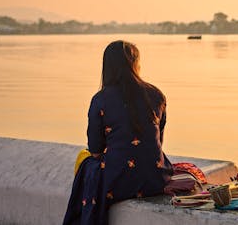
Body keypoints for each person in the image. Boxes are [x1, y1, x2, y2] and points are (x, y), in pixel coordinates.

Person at [63, 40, 173, 225]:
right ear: (135, 64)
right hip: (156, 178)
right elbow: (157, 143)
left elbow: (96, 150)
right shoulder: (156, 94)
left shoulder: (100, 100)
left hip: (118, 181)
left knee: (86, 163)